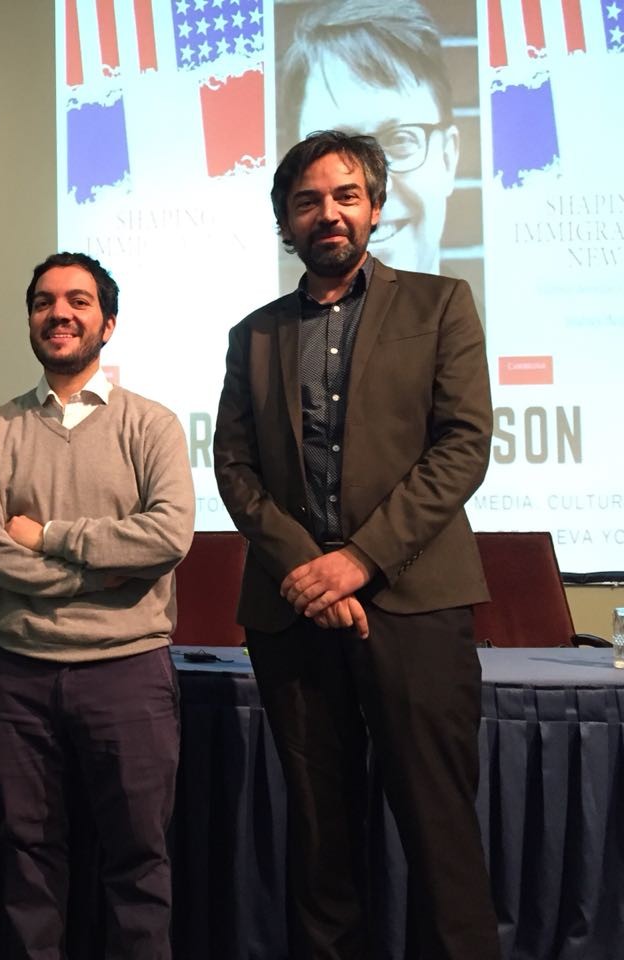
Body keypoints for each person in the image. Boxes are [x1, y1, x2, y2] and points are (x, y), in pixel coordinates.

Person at [213, 131, 499, 959]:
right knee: (320, 847)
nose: (327, 213)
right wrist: (309, 567)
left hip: (416, 608)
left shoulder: (440, 305)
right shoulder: (253, 335)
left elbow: (462, 448)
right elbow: (235, 467)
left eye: (344, 196)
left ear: (375, 207)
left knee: (443, 845)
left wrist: (359, 560)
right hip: (293, 614)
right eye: (306, 201)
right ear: (285, 222)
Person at [0, 252, 195, 960]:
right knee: (27, 857)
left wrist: (53, 538)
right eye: (44, 301)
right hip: (17, 678)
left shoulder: (151, 425)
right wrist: (97, 577)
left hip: (129, 675)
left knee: (139, 860)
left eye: (78, 301)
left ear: (107, 323)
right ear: (30, 319)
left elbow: (166, 536)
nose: (59, 313)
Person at [279, 0, 460, 274]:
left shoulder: (475, 316)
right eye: (333, 152)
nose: (375, 190)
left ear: (448, 158)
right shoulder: (261, 319)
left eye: (401, 141)